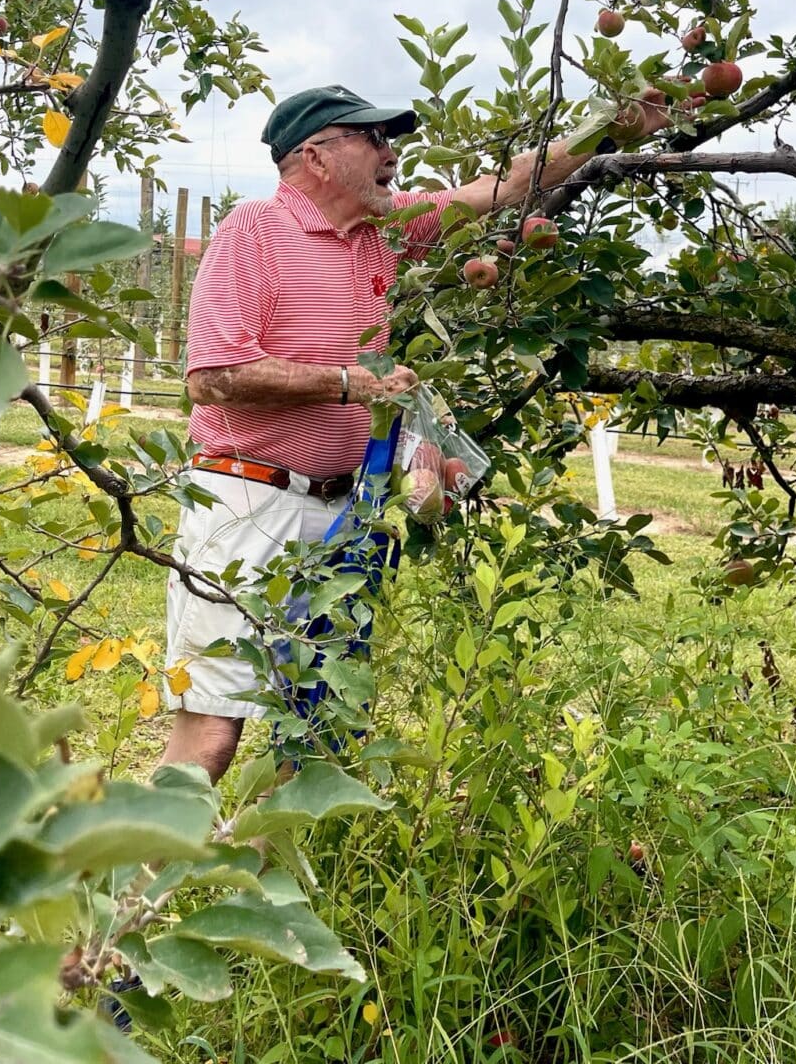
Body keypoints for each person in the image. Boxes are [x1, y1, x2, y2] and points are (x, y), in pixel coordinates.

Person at [159, 83, 623, 780]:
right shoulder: (253, 230)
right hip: (247, 505)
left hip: (346, 513)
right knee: (213, 733)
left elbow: (502, 186)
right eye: (372, 138)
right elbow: (214, 376)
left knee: (318, 729)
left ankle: (260, 881)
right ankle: (133, 888)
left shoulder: (380, 235)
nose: (392, 153)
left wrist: (612, 126)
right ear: (314, 156)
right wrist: (350, 383)